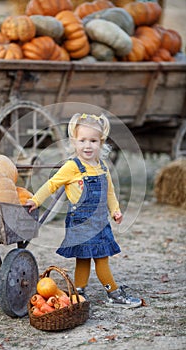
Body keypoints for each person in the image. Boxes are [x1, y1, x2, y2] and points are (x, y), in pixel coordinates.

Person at [27, 113, 142, 308]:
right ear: (74, 142)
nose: (87, 146)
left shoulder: (102, 166)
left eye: (93, 141)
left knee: (98, 257)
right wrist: (36, 200)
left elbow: (110, 192)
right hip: (80, 222)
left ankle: (84, 292)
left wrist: (115, 210)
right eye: (82, 140)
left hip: (100, 222)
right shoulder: (72, 166)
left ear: (101, 142)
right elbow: (51, 184)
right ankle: (105, 293)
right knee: (86, 258)